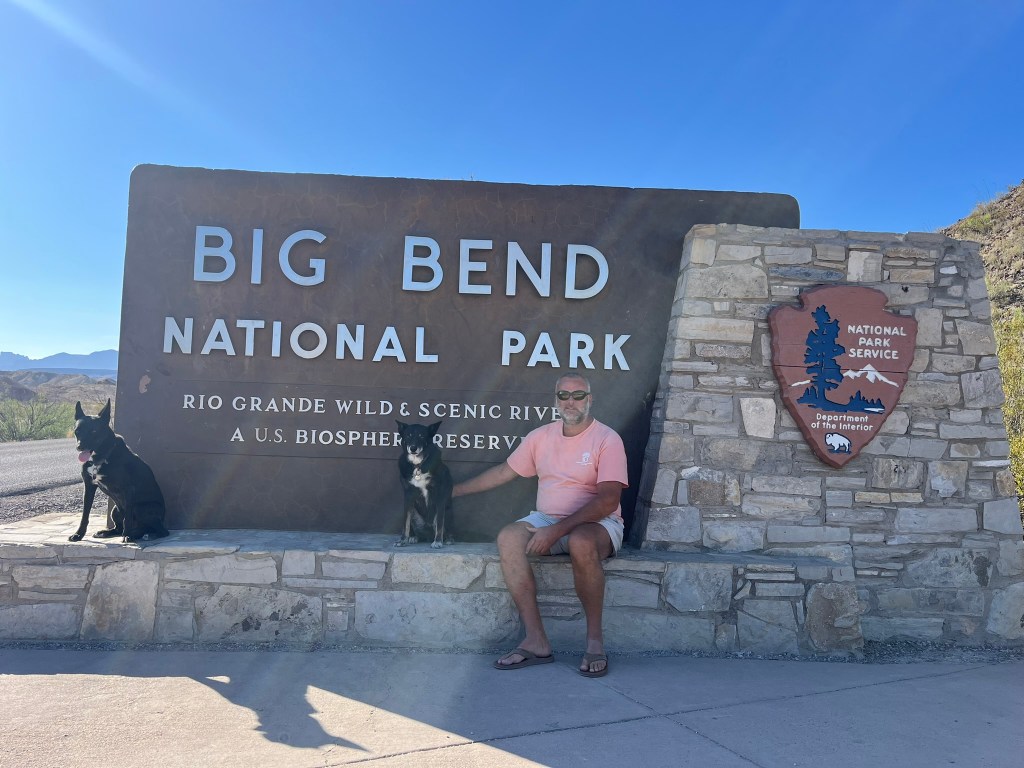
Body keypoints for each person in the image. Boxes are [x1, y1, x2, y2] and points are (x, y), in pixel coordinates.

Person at [452, 371, 628, 678]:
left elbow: (608, 501)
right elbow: (503, 473)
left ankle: (595, 643)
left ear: (589, 399)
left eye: (578, 395)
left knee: (581, 541)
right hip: (547, 518)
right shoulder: (540, 436)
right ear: (555, 400)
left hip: (599, 523)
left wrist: (556, 531)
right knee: (508, 537)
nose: (570, 402)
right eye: (563, 396)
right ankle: (536, 641)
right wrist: (451, 491)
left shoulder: (607, 439)